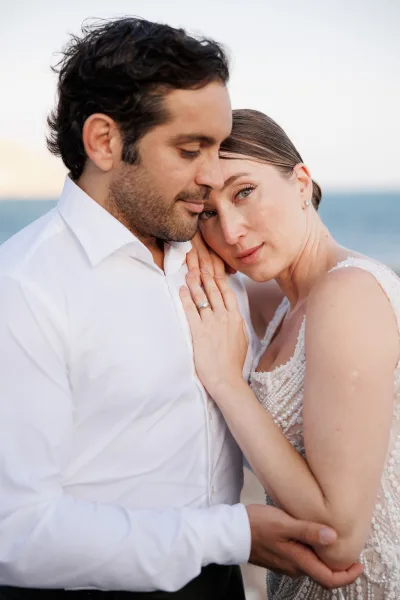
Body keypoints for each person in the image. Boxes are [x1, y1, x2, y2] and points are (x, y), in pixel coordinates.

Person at [0, 19, 362, 600]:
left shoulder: (212, 250)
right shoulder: (26, 286)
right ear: (105, 141)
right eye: (191, 150)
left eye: (219, 149)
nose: (212, 175)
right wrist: (228, 532)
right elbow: (16, 532)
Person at [180, 108, 400, 599]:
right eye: (208, 212)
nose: (231, 232)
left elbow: (339, 540)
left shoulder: (348, 296)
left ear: (301, 182)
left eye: (244, 192)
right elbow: (196, 275)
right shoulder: (284, 299)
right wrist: (187, 240)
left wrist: (226, 382)